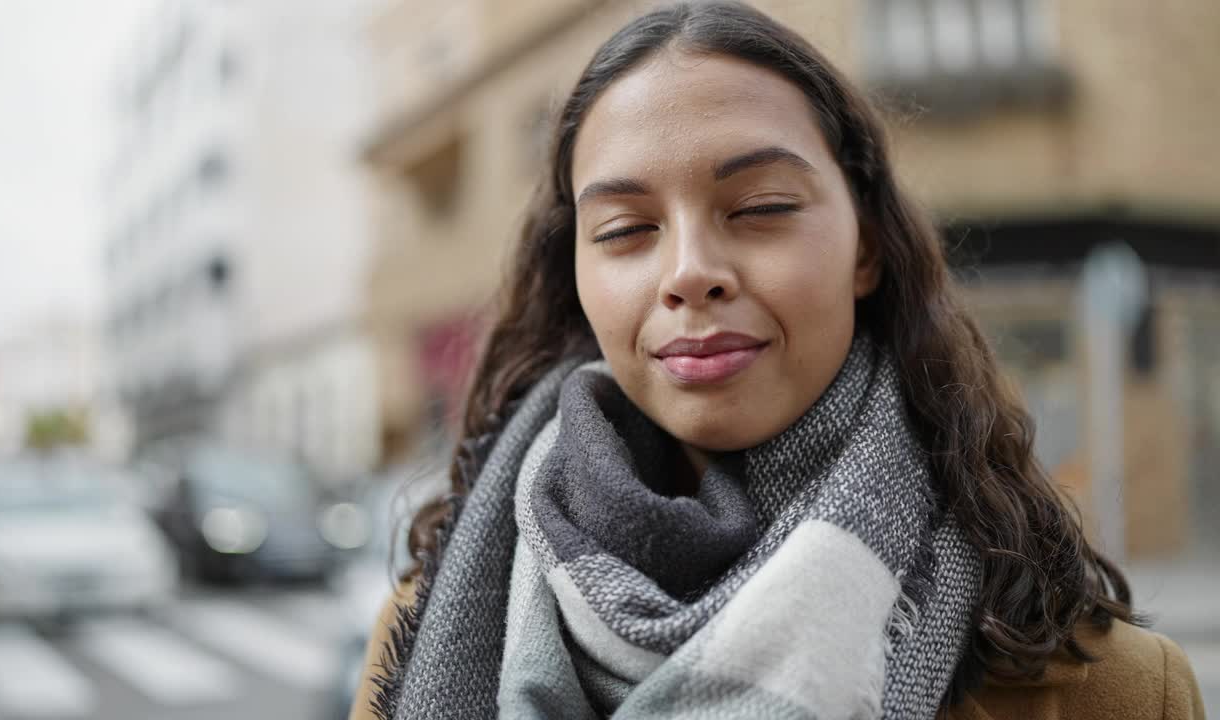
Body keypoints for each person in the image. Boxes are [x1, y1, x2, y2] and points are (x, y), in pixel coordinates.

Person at [350, 2, 1205, 719]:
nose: (689, 272)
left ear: (866, 245)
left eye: (758, 207)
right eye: (624, 231)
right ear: (576, 272)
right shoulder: (423, 635)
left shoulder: (1116, 693)